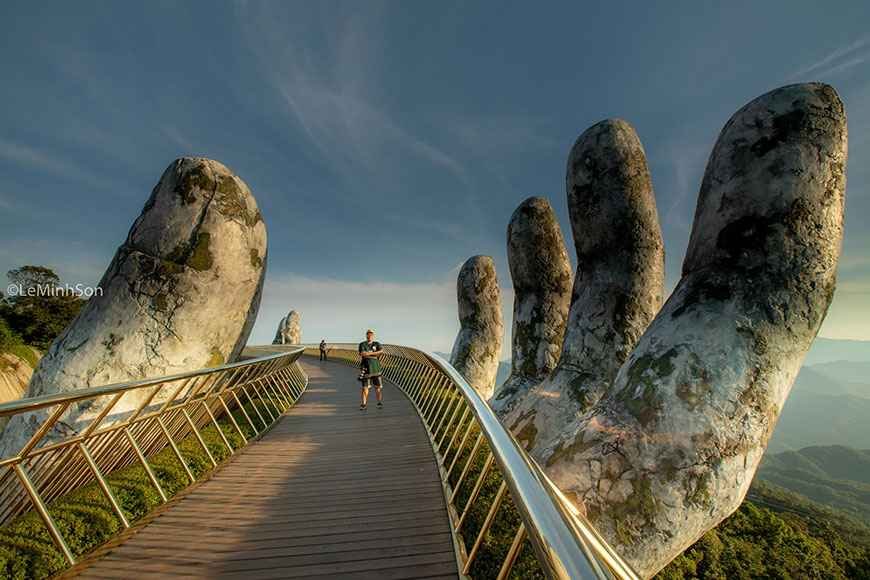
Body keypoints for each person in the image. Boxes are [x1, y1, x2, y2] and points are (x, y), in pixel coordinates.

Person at [358, 329, 384, 410]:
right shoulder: (362, 344)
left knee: (378, 387)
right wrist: (374, 354)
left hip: (376, 369)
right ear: (366, 335)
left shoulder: (377, 343)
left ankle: (379, 403)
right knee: (365, 388)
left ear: (373, 335)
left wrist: (369, 353)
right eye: (368, 334)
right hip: (366, 368)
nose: (370, 336)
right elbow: (362, 353)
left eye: (371, 334)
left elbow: (381, 351)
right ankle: (363, 404)